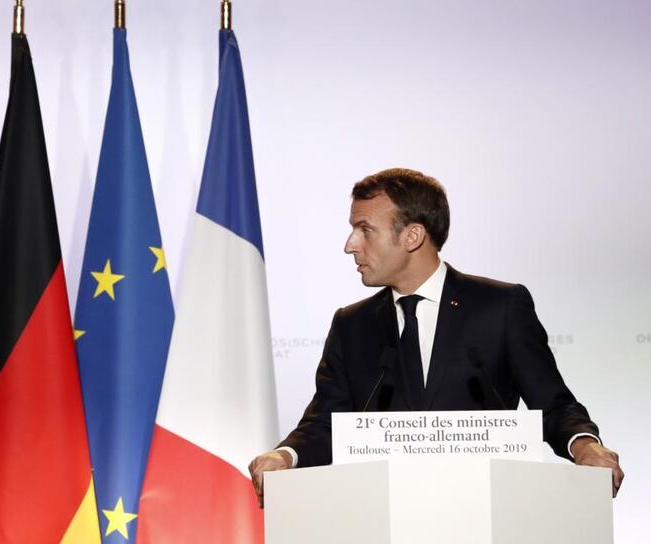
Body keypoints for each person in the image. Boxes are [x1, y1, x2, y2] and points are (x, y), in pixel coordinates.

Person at [248, 168, 623, 505]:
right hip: (382, 514)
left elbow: (553, 405)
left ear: (412, 236)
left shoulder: (500, 307)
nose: (350, 244)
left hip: (485, 510)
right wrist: (284, 456)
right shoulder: (352, 324)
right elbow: (325, 424)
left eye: (365, 229)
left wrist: (584, 445)